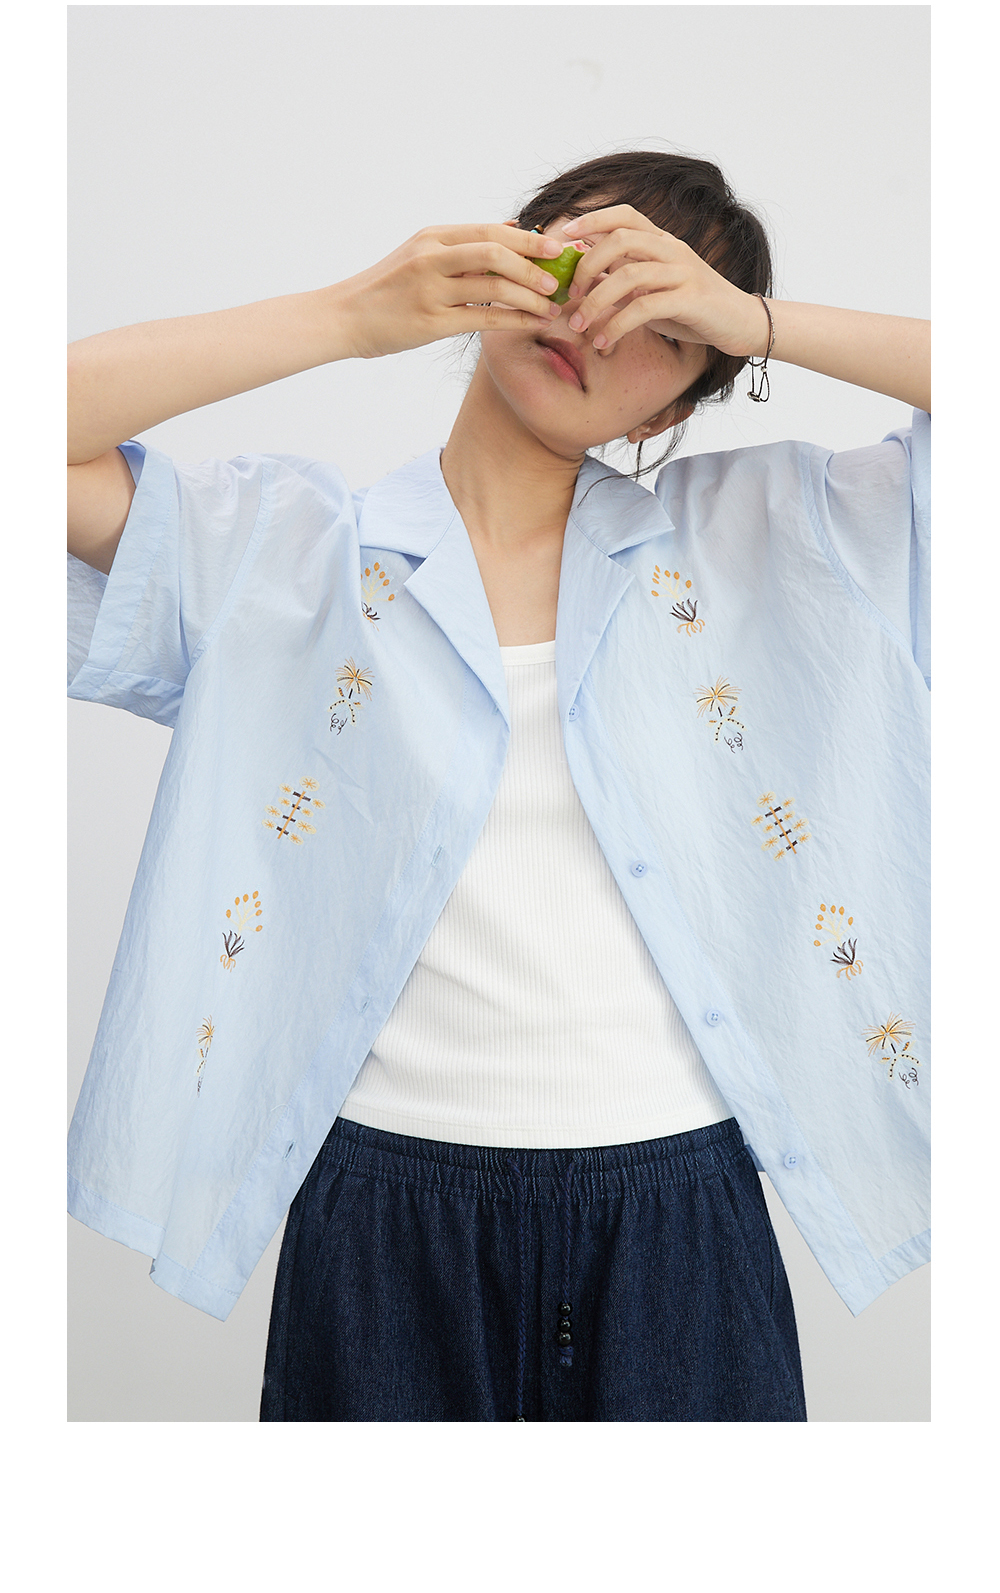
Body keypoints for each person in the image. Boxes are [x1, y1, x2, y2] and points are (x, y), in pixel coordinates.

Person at [67, 150, 930, 1423]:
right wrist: (354, 315)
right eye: (580, 263)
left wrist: (749, 322)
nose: (599, 323)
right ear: (500, 259)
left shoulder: (774, 540)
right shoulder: (281, 552)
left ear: (666, 414)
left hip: (675, 1210)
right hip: (383, 1208)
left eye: (661, 322)